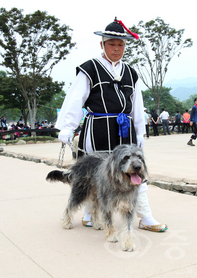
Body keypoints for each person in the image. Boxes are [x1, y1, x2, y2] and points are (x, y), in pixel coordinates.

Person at [55, 18, 167, 232]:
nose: (117, 48)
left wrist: (140, 131)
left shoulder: (130, 72)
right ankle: (89, 214)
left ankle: (145, 217)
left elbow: (137, 104)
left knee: (135, 172)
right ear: (102, 45)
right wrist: (68, 127)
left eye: (121, 45)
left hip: (125, 132)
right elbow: (76, 98)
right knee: (93, 174)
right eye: (112, 44)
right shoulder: (89, 69)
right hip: (98, 128)